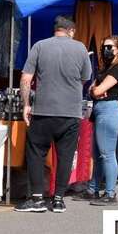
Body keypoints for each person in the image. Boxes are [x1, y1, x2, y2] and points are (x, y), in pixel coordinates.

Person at [16, 16, 92, 214]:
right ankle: (58, 200)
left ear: (56, 29)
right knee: (65, 156)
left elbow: (25, 79)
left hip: (43, 111)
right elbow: (85, 78)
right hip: (70, 112)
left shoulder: (40, 46)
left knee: (36, 153)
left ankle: (37, 199)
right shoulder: (81, 48)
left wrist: (26, 104)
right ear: (71, 31)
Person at [75, 36, 118, 206]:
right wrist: (95, 90)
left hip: (108, 112)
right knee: (99, 155)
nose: (106, 50)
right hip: (103, 112)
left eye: (110, 47)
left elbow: (97, 90)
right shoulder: (107, 68)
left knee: (107, 155)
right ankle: (93, 190)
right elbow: (92, 89)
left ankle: (110, 193)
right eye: (104, 47)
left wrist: (95, 90)